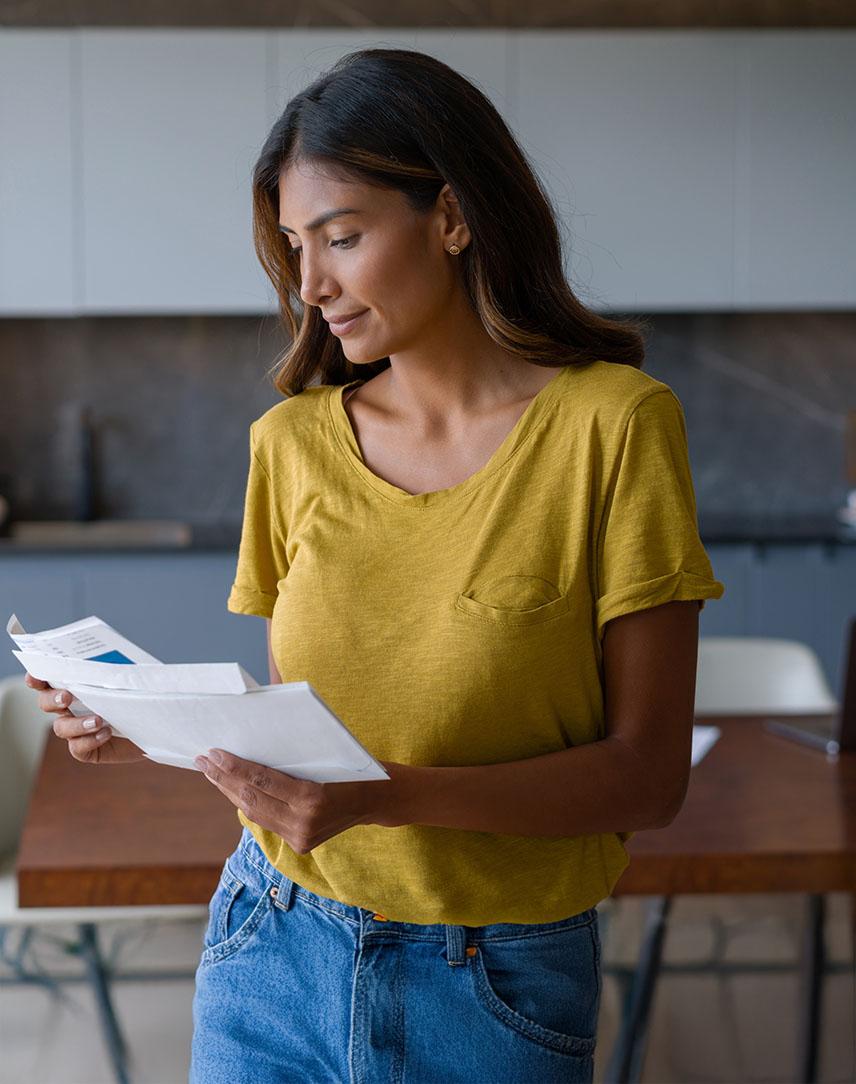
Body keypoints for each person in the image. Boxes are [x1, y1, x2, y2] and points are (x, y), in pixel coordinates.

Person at [31, 46, 724, 1084]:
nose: (311, 285)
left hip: (495, 977)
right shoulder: (290, 444)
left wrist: (384, 796)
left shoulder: (615, 426)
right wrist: (155, 728)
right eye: (293, 247)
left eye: (342, 237)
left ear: (453, 216)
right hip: (272, 940)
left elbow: (648, 779)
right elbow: (305, 728)